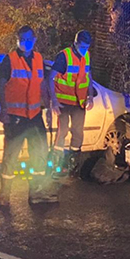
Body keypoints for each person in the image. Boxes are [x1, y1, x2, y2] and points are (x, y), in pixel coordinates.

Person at [0, 25, 54, 209]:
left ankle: (36, 192)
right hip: (16, 117)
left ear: (34, 39)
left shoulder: (38, 59)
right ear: (17, 40)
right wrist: (3, 110)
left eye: (28, 39)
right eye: (22, 39)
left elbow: (42, 84)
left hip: (35, 116)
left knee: (39, 155)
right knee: (11, 156)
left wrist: (49, 107)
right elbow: (1, 86)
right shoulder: (10, 60)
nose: (25, 42)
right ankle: (4, 195)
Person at [48, 30, 94, 177]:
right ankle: (57, 164)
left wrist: (91, 96)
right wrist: (54, 101)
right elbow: (51, 78)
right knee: (62, 131)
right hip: (63, 102)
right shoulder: (64, 56)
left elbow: (88, 76)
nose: (84, 50)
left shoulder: (86, 56)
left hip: (79, 102)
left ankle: (73, 164)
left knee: (78, 132)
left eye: (87, 47)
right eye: (82, 47)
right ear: (75, 43)